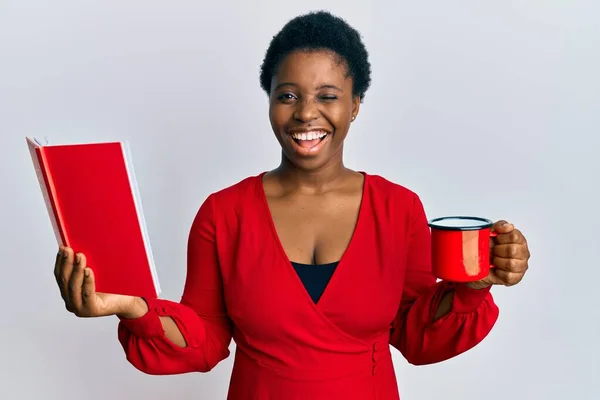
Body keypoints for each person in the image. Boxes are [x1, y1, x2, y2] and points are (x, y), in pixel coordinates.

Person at [54, 10, 530, 400]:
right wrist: (132, 308)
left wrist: (475, 284)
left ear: (356, 104)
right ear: (268, 102)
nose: (305, 113)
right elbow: (203, 342)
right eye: (288, 95)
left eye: (328, 96)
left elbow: (416, 333)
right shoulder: (223, 214)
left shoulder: (399, 208)